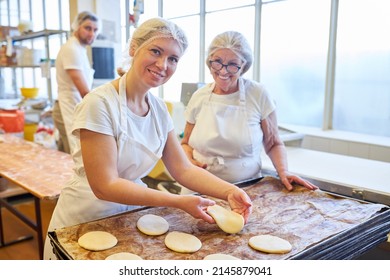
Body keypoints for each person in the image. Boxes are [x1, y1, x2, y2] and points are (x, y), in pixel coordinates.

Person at [44, 18, 252, 259]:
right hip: (84, 217)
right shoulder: (99, 104)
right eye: (156, 51)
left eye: (173, 59)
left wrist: (228, 192)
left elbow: (183, 169)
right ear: (134, 48)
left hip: (129, 216)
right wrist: (178, 201)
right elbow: (105, 185)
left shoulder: (159, 109)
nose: (163, 64)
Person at [181, 31, 317, 191]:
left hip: (246, 189)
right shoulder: (199, 96)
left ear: (244, 66)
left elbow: (273, 143)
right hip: (198, 188)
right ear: (209, 62)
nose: (223, 71)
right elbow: (185, 144)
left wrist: (283, 172)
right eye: (217, 62)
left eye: (232, 64)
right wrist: (188, 160)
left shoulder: (258, 94)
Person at [52, 11, 100, 154]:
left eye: (95, 30)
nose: (92, 33)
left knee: (65, 153)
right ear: (77, 26)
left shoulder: (79, 49)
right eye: (87, 28)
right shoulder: (71, 49)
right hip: (66, 105)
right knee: (74, 154)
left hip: (74, 105)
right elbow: (84, 90)